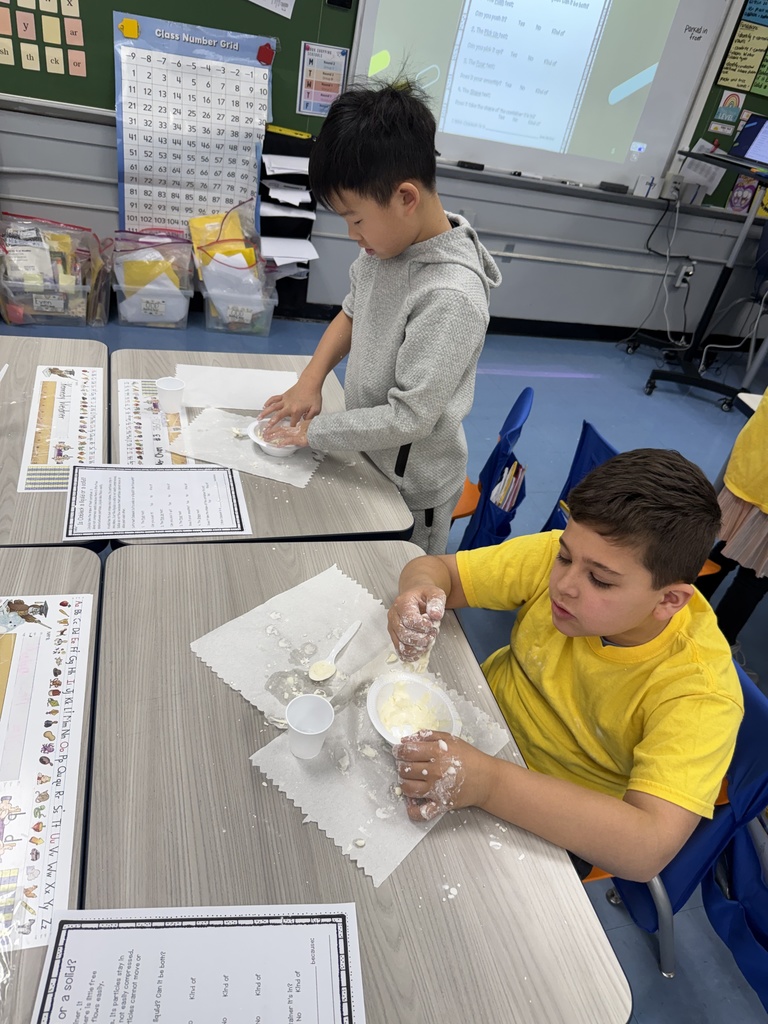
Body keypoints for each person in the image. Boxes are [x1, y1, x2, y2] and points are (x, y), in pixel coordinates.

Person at [387, 449, 744, 883]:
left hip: (554, 814)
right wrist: (419, 592)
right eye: (565, 557)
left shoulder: (699, 692)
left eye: (601, 581)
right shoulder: (570, 558)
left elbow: (645, 849)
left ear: (669, 600)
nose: (565, 585)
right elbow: (436, 569)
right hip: (477, 719)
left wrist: (488, 782)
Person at [259, 81, 501, 554]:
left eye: (356, 219)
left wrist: (312, 432)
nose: (353, 235)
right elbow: (353, 311)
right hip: (369, 451)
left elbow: (410, 418)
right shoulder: (386, 246)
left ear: (406, 197)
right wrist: (311, 378)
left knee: (399, 574)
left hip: (413, 489)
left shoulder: (451, 296)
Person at [697, 388, 768, 672]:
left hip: (754, 464)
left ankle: (682, 614)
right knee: (756, 576)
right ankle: (716, 647)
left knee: (727, 549)